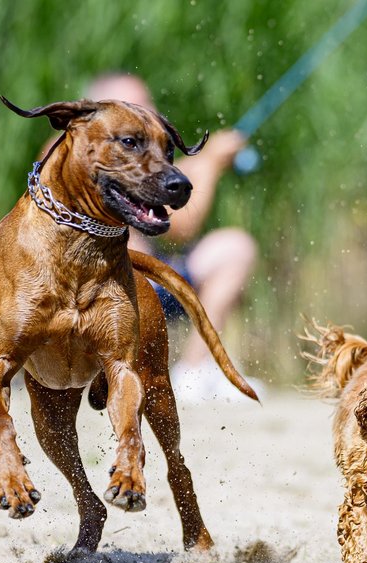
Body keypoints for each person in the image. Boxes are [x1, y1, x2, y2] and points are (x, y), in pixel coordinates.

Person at [84, 73, 260, 402]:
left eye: (148, 102)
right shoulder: (89, 156)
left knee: (234, 247)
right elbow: (180, 227)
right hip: (110, 294)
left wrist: (204, 161)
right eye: (136, 104)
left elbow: (164, 198)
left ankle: (194, 371)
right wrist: (211, 165)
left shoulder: (140, 154)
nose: (150, 110)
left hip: (152, 280)